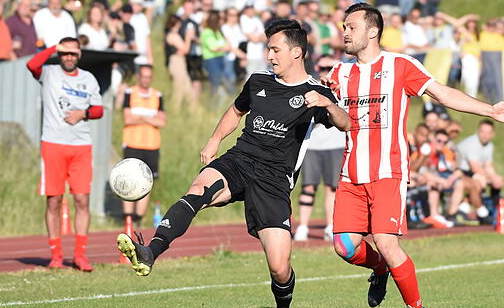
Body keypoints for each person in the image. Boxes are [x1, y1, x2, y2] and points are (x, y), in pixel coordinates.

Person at [116, 20, 350, 308]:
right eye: (268, 50)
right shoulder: (258, 81)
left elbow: (346, 123)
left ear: (297, 52)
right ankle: (150, 251)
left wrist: (327, 104)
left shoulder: (317, 92)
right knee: (199, 189)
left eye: (275, 50)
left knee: (279, 267)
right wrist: (214, 140)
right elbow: (236, 110)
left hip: (274, 179)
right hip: (239, 160)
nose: (269, 56)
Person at [327, 3, 504, 308]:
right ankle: (379, 269)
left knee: (387, 243)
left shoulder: (401, 65)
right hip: (351, 174)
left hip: (388, 171)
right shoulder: (339, 71)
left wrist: (490, 110)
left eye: (351, 27)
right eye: (344, 27)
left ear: (373, 30)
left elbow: (443, 94)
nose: (345, 32)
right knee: (344, 247)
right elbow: (332, 119)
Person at [26, 37, 103, 272]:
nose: (69, 58)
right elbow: (31, 65)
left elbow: (99, 109)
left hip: (81, 146)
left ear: (79, 55)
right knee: (54, 201)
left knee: (82, 200)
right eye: (64, 53)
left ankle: (80, 255)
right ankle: (56, 255)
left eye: (73, 53)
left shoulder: (87, 78)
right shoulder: (49, 73)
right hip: (53, 144)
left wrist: (83, 113)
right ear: (59, 54)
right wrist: (53, 48)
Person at [294, 60, 345, 243]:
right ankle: (303, 226)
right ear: (317, 69)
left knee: (332, 188)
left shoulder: (343, 90)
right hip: (313, 145)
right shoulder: (311, 90)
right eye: (322, 68)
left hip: (335, 145)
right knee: (308, 187)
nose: (325, 72)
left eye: (329, 68)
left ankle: (330, 226)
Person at [122, 65, 166, 226]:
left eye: (149, 77)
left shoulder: (157, 95)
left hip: (152, 145)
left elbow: (161, 121)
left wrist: (139, 117)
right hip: (132, 143)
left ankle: (138, 219)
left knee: (146, 182)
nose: (146, 80)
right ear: (138, 77)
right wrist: (150, 119)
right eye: (143, 76)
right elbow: (127, 119)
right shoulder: (130, 93)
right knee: (129, 180)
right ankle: (127, 217)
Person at [457, 120, 504, 217]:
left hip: (471, 171)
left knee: (497, 181)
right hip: (460, 171)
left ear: (492, 134)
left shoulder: (489, 146)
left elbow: (488, 166)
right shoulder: (472, 143)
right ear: (478, 131)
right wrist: (491, 178)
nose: (485, 135)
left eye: (488, 133)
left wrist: (495, 177)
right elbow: (474, 167)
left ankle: (496, 210)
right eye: (483, 132)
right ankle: (473, 208)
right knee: (481, 180)